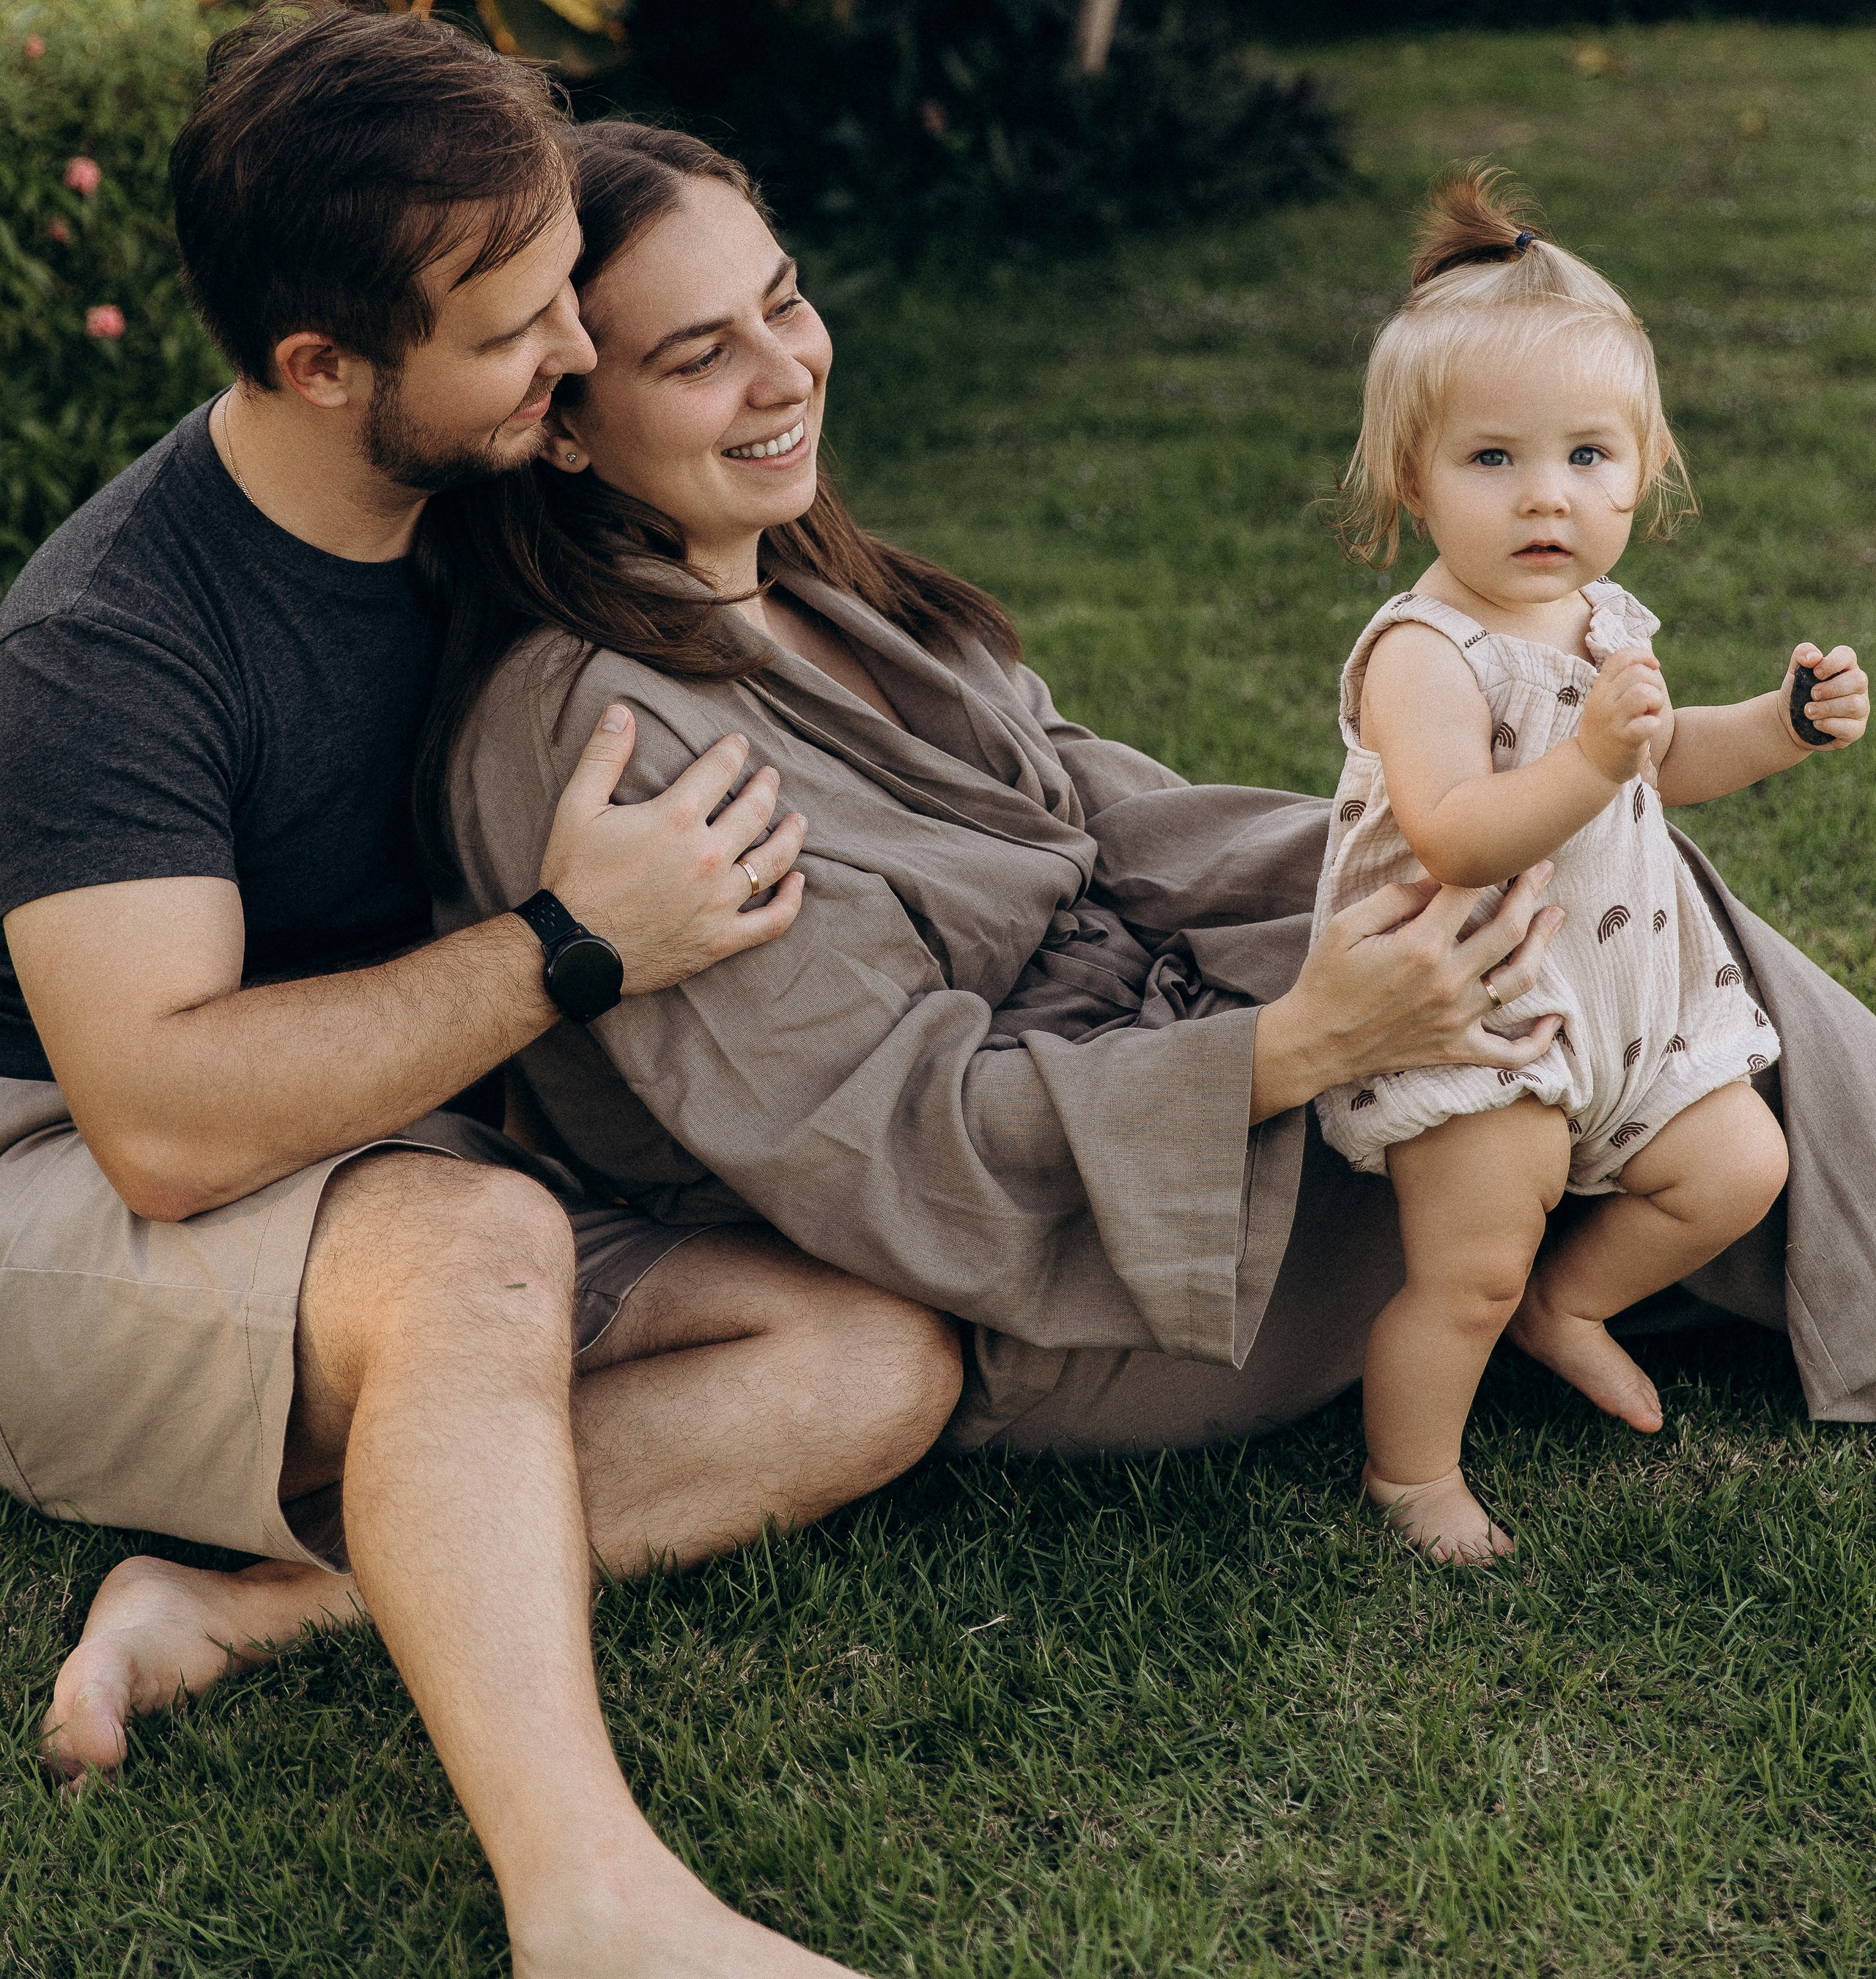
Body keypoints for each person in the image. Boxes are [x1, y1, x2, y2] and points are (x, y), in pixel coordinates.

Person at [421, 118, 1876, 1485]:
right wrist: (1299, 1040)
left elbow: (1096, 807)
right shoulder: (612, 739)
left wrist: (1371, 882)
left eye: (782, 302)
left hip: (1155, 1039)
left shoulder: (807, 588)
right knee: (1536, 1034)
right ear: (560, 420)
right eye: (697, 358)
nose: (784, 371)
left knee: (1590, 890)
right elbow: (885, 1129)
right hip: (1049, 1247)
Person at [0, 8, 965, 1979]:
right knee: (477, 1251)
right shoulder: (107, 645)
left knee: (878, 1359)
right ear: (322, 365)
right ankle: (593, 1906)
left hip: (387, 1148)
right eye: (522, 326)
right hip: (59, 1186)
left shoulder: (483, 509)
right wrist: (567, 946)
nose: (583, 354)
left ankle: (242, 1609)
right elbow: (160, 1125)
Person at [1312, 169, 1866, 1565]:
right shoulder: (1422, 653)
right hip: (1478, 1010)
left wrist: (1780, 728)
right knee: (1469, 1268)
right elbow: (1452, 829)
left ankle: (1572, 1307)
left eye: (1587, 458)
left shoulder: (1600, 616)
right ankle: (1411, 1471)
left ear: (1644, 468)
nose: (1545, 495)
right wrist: (1586, 760)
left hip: (1628, 1000)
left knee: (1739, 1162)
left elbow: (1667, 758)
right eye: (1492, 459)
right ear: (1412, 479)